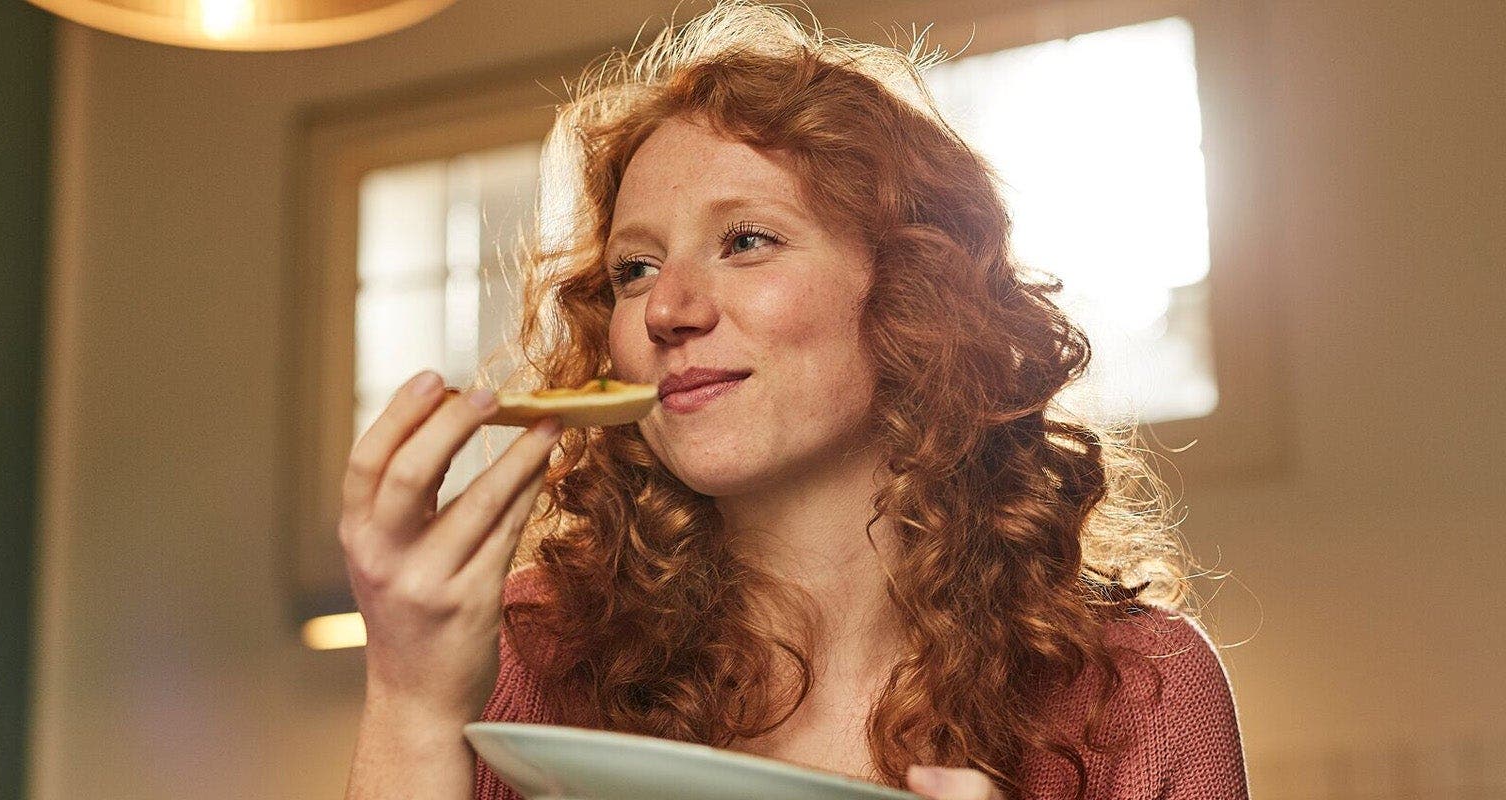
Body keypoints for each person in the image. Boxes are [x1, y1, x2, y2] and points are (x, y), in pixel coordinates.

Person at [340, 3, 1247, 799]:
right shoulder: (520, 661)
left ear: (914, 290)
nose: (668, 310)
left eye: (746, 240)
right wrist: (412, 702)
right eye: (635, 268)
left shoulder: (1141, 693)